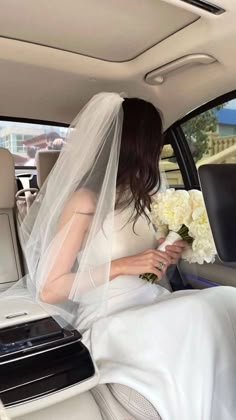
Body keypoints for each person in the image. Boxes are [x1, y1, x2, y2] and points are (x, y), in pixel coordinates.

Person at [19, 93, 236, 420]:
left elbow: (148, 267)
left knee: (225, 299)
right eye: (155, 140)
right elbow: (49, 289)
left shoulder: (145, 198)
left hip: (151, 298)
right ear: (138, 144)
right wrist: (123, 265)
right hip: (109, 313)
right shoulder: (85, 200)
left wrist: (165, 255)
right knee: (199, 311)